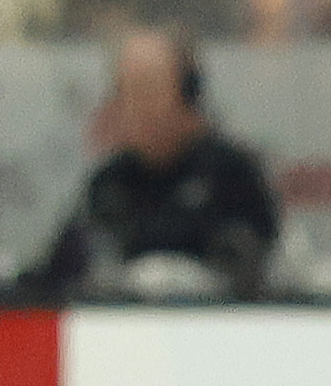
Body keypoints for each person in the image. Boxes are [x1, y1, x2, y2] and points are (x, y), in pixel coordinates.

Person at [32, 29, 279, 296]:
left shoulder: (233, 177)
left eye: (147, 89)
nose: (135, 106)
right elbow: (57, 275)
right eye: (125, 91)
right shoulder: (109, 183)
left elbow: (249, 276)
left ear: (188, 94)